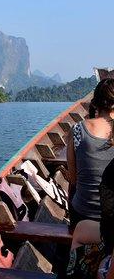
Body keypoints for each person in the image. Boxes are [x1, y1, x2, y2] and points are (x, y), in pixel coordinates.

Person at [67, 78, 114, 232]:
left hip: (83, 216)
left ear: (96, 103)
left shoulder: (77, 130)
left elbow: (73, 180)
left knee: (72, 187)